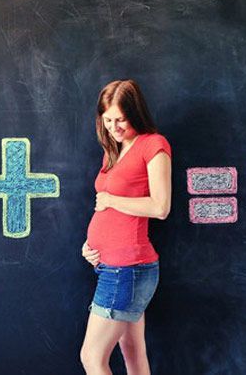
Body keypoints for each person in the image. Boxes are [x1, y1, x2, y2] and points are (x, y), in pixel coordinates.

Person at [80, 79, 172, 375]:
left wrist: (110, 199)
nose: (114, 127)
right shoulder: (114, 150)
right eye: (107, 120)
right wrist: (91, 246)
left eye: (120, 119)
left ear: (136, 112)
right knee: (133, 355)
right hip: (112, 266)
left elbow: (160, 207)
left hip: (128, 269)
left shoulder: (154, 145)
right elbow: (107, 215)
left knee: (92, 358)